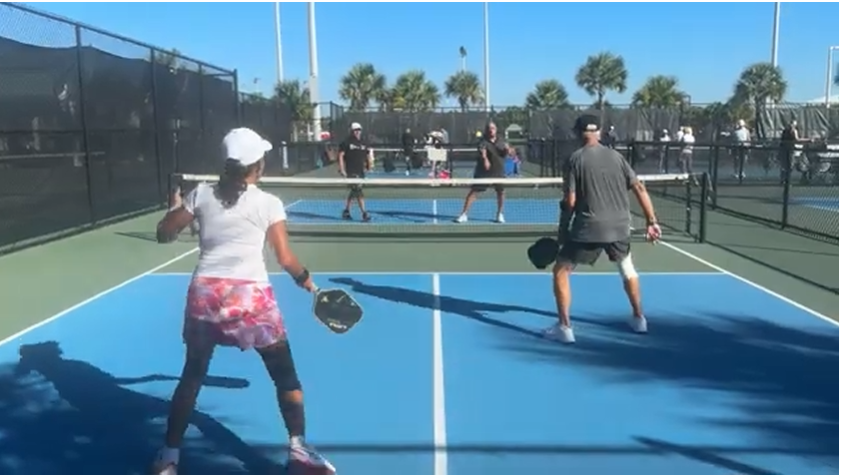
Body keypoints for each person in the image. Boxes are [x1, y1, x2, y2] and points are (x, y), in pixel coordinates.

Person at [152, 127, 336, 474]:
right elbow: (285, 258)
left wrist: (175, 207)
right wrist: (306, 280)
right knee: (285, 377)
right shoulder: (268, 203)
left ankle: (167, 459)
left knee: (192, 376)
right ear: (257, 166)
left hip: (205, 294)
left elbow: (164, 233)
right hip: (251, 297)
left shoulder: (201, 194)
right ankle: (299, 453)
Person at [543, 114, 661, 344]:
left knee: (561, 271)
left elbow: (571, 201)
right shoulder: (617, 157)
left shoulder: (574, 159)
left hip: (588, 226)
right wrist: (651, 221)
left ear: (577, 132)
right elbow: (639, 187)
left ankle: (564, 328)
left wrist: (563, 224)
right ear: (600, 131)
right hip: (620, 226)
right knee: (627, 269)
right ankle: (639, 319)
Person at [454, 121, 508, 224]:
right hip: (484, 172)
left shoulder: (501, 141)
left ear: (496, 130)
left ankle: (500, 214)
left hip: (498, 171)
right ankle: (464, 214)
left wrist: (507, 150)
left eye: (492, 128)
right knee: (474, 192)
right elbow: (483, 153)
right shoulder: (483, 142)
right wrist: (485, 160)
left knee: (501, 192)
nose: (490, 130)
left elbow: (504, 154)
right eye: (488, 128)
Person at [338, 122, 373, 222]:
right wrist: (342, 169)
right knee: (358, 191)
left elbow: (367, 154)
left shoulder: (364, 142)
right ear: (352, 131)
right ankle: (364, 213)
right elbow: (341, 155)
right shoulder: (346, 142)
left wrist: (369, 165)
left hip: (361, 172)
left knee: (354, 192)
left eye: (359, 130)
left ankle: (346, 211)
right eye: (355, 130)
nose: (357, 132)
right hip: (351, 171)